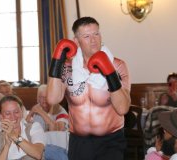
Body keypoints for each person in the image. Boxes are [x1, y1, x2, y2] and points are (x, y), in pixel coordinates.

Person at [47, 17, 131, 160]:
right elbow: (53, 99)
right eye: (86, 36)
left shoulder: (117, 65)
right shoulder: (68, 67)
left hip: (111, 142)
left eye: (96, 34)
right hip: (79, 142)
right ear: (76, 41)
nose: (93, 40)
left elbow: (123, 108)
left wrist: (110, 73)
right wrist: (57, 61)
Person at [0, 95, 45, 160]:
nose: (13, 117)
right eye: (8, 113)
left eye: (16, 112)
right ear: (1, 117)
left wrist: (14, 136)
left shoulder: (34, 127)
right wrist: (7, 146)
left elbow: (38, 154)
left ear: (22, 111)